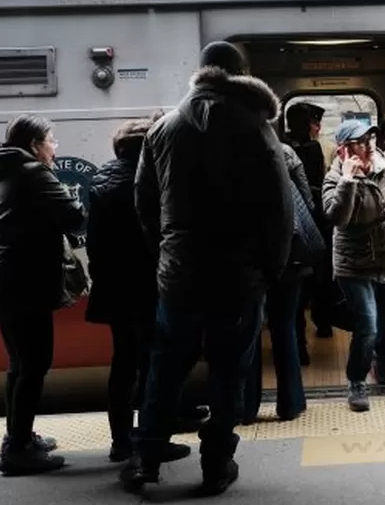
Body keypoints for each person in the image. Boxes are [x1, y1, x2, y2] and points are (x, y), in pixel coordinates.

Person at [121, 41, 293, 496]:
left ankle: (145, 459)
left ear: (201, 73)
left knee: (165, 368)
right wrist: (270, 270)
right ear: (240, 76)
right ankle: (217, 463)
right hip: (238, 277)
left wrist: (167, 252)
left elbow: (144, 202)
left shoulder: (164, 129)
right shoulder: (256, 128)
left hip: (179, 275)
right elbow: (280, 209)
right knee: (228, 371)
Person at [0, 114, 85, 475]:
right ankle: (18, 450)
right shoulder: (32, 172)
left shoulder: (1, 171)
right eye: (52, 140)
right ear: (35, 144)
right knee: (34, 364)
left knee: (20, 364)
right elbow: (72, 216)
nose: (55, 148)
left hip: (2, 280)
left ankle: (17, 438)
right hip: (24, 284)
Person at [84, 114, 192, 463]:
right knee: (153, 363)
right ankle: (151, 439)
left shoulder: (100, 183)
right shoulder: (154, 181)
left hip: (114, 287)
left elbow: (94, 243)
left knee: (123, 363)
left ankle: (120, 441)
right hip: (149, 285)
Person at [322, 119, 385, 411]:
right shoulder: (335, 178)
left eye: (370, 138)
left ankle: (381, 356)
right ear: (344, 150)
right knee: (368, 325)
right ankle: (356, 381)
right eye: (360, 141)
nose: (369, 145)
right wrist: (348, 180)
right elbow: (337, 217)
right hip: (354, 264)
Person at [240, 141, 314, 424]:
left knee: (249, 328)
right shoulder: (286, 152)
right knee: (285, 327)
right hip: (290, 253)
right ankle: (291, 403)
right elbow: (306, 202)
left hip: (248, 256)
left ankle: (246, 406)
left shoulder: (232, 148)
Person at [286, 101, 334, 358]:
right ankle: (305, 336)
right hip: (309, 217)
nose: (311, 128)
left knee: (313, 277)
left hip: (297, 219)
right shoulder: (303, 149)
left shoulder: (284, 147)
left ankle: (319, 321)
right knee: (312, 275)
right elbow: (309, 187)